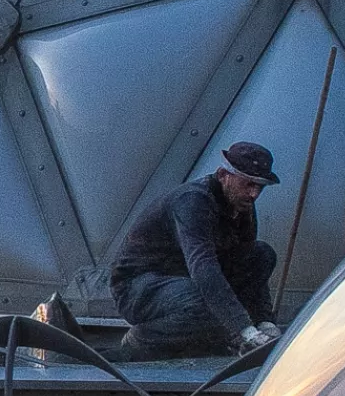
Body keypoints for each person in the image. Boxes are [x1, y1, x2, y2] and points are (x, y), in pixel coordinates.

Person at [108, 143, 283, 359]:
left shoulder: (242, 204)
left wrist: (264, 322)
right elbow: (204, 268)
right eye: (248, 184)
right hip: (139, 287)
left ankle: (221, 335)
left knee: (262, 254)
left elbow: (248, 264)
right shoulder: (192, 202)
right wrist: (244, 330)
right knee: (207, 304)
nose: (254, 194)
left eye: (260, 187)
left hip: (185, 282)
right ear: (223, 175)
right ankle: (141, 340)